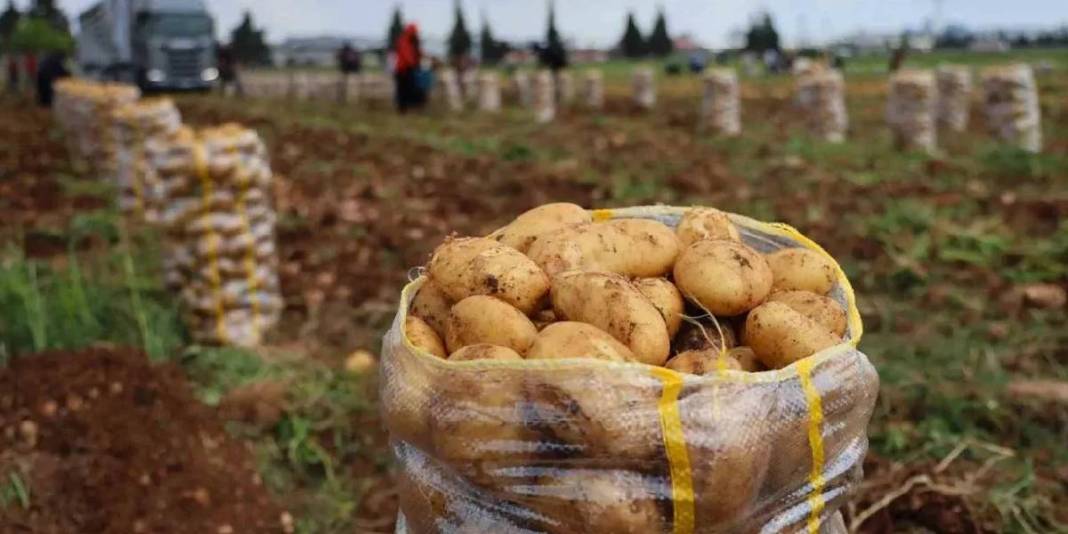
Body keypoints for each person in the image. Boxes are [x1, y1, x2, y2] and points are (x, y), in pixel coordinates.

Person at [393, 23, 425, 113]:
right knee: (403, 90)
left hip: (409, 69)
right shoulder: (404, 41)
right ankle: (402, 109)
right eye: (415, 32)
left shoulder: (413, 41)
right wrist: (414, 64)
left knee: (409, 89)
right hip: (403, 70)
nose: (416, 34)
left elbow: (419, 53)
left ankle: (409, 108)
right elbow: (406, 55)